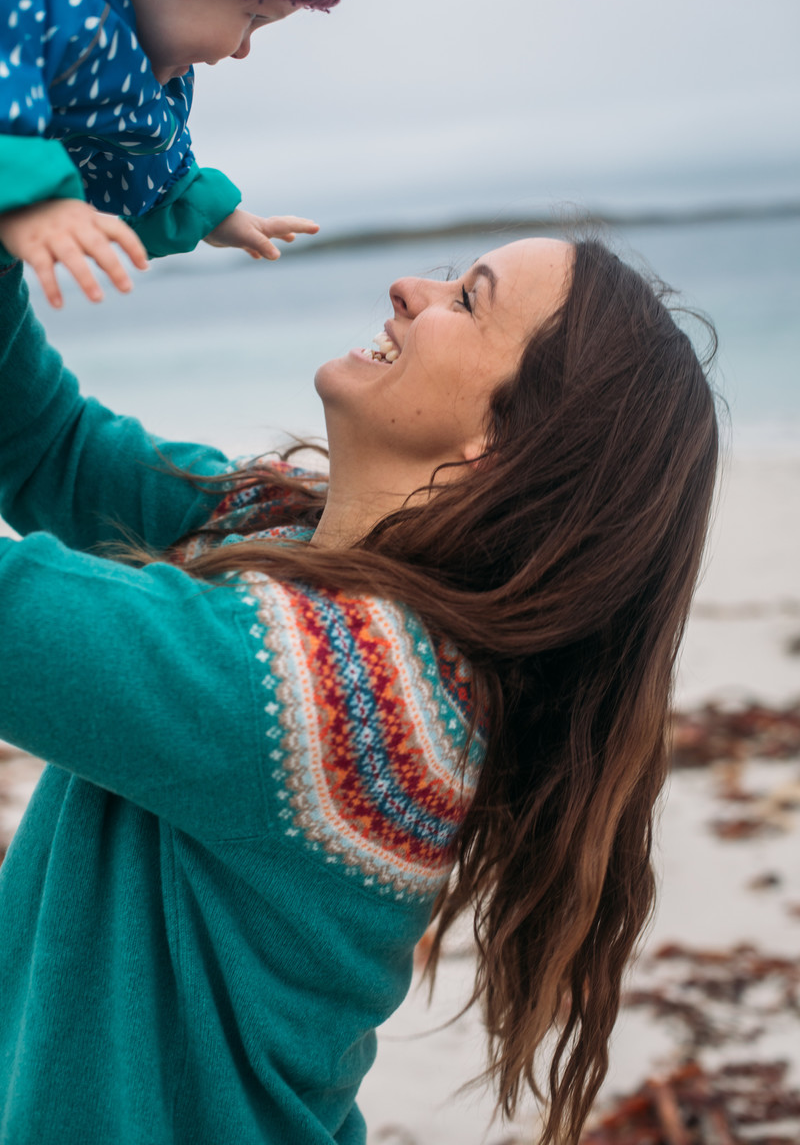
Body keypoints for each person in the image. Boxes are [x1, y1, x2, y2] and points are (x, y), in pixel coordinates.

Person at [0, 234, 719, 1145]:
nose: (410, 286)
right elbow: (46, 446)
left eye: (466, 302)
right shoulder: (301, 529)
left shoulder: (339, 699)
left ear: (496, 445)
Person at [0, 0, 358, 308]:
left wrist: (200, 210)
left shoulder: (143, 69)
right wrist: (32, 198)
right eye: (252, 16)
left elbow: (143, 154)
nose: (243, 50)